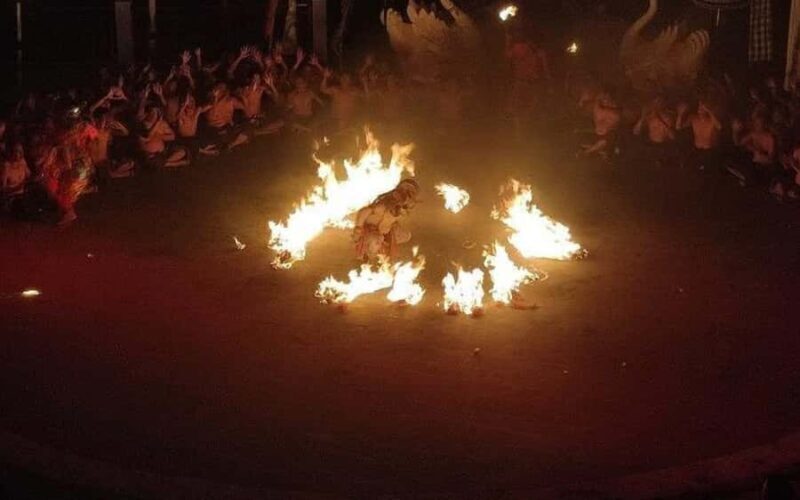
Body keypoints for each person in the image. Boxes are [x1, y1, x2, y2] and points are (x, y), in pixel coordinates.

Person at [353, 179, 419, 262]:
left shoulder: (398, 210)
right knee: (377, 240)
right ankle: (372, 254)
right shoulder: (381, 207)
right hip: (371, 233)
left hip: (383, 232)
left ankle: (379, 247)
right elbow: (364, 211)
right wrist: (358, 229)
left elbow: (392, 220)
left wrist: (393, 226)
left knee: (406, 236)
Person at [677, 99, 723, 171]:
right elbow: (679, 127)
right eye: (699, 106)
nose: (700, 109)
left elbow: (719, 127)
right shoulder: (694, 118)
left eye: (702, 107)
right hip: (697, 151)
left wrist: (709, 111)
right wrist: (680, 114)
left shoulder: (712, 120)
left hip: (709, 153)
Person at [321, 69, 362, 133]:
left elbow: (365, 96)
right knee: (337, 136)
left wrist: (364, 82)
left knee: (347, 137)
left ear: (350, 80)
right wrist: (325, 77)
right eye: (343, 77)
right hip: (336, 118)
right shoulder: (335, 89)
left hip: (349, 118)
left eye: (347, 78)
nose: (344, 79)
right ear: (340, 79)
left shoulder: (354, 90)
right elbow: (323, 89)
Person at [1, 142, 31, 211]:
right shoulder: (6, 166)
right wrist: (17, 188)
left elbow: (29, 176)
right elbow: (3, 189)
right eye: (15, 151)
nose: (17, 154)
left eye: (19, 152)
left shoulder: (23, 162)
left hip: (24, 194)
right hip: (12, 197)